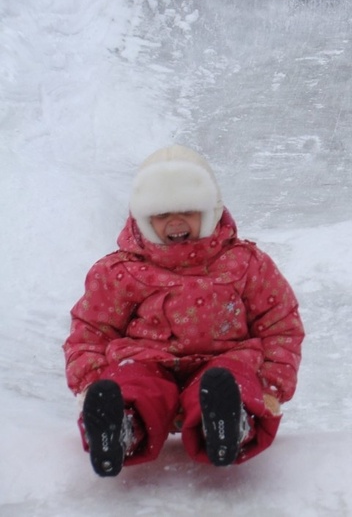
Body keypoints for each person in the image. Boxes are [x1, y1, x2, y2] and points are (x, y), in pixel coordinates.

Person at [62, 145, 304, 477]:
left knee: (231, 382)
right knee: (134, 382)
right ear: (143, 219)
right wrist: (91, 382)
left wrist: (271, 386)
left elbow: (280, 324)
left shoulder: (245, 264)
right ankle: (121, 428)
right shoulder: (119, 271)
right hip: (146, 360)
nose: (175, 222)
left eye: (187, 210)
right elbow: (90, 331)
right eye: (161, 215)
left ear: (210, 210)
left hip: (224, 362)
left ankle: (230, 425)